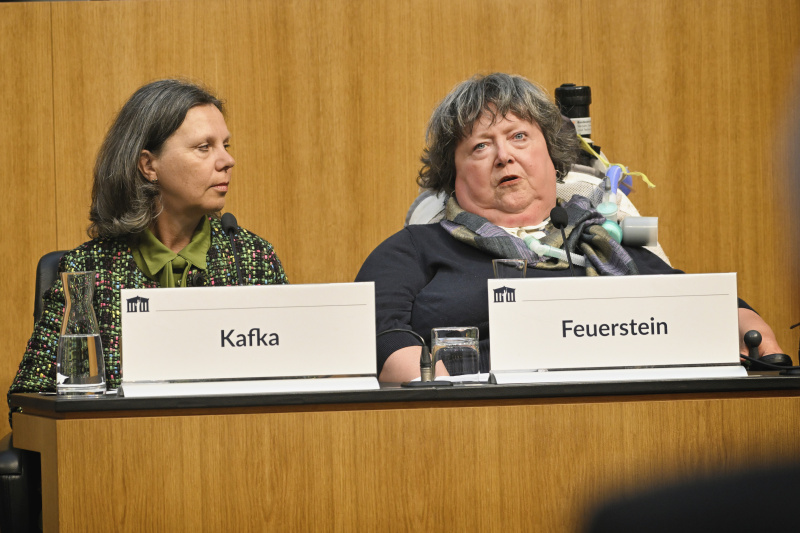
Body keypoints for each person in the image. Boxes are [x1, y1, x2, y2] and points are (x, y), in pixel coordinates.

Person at [356, 73, 782, 382]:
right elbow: (381, 340)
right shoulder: (410, 249)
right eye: (481, 146)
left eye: (519, 136)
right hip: (469, 421)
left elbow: (696, 301)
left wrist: (745, 324)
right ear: (452, 175)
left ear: (551, 155)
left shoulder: (604, 235)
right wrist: (456, 394)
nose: (504, 156)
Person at [8, 79, 288, 412]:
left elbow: (293, 385)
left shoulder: (253, 259)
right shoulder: (90, 270)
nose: (227, 160)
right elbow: (30, 401)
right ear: (148, 165)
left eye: (226, 145)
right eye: (204, 147)